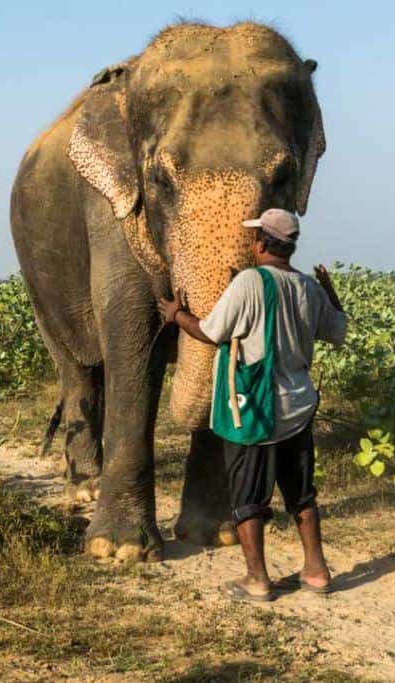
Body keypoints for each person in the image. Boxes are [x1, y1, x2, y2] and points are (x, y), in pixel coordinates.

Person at [158, 208, 347, 602]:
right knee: (302, 494)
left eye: (254, 237)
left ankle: (257, 579)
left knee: (248, 498)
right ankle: (316, 571)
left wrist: (176, 315)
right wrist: (330, 292)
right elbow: (337, 331)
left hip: (257, 411)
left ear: (261, 242)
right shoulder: (308, 287)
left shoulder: (249, 282)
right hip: (298, 407)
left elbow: (211, 332)